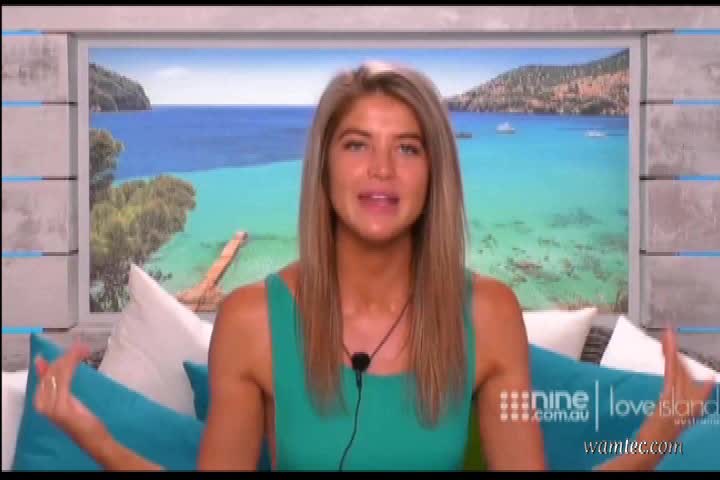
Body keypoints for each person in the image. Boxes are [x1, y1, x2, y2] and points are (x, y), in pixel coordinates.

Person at [33, 61, 715, 471]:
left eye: (408, 148)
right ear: (324, 168)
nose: (382, 169)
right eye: (357, 144)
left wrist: (658, 435)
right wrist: (95, 438)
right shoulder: (251, 321)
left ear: (433, 174)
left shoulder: (488, 314)